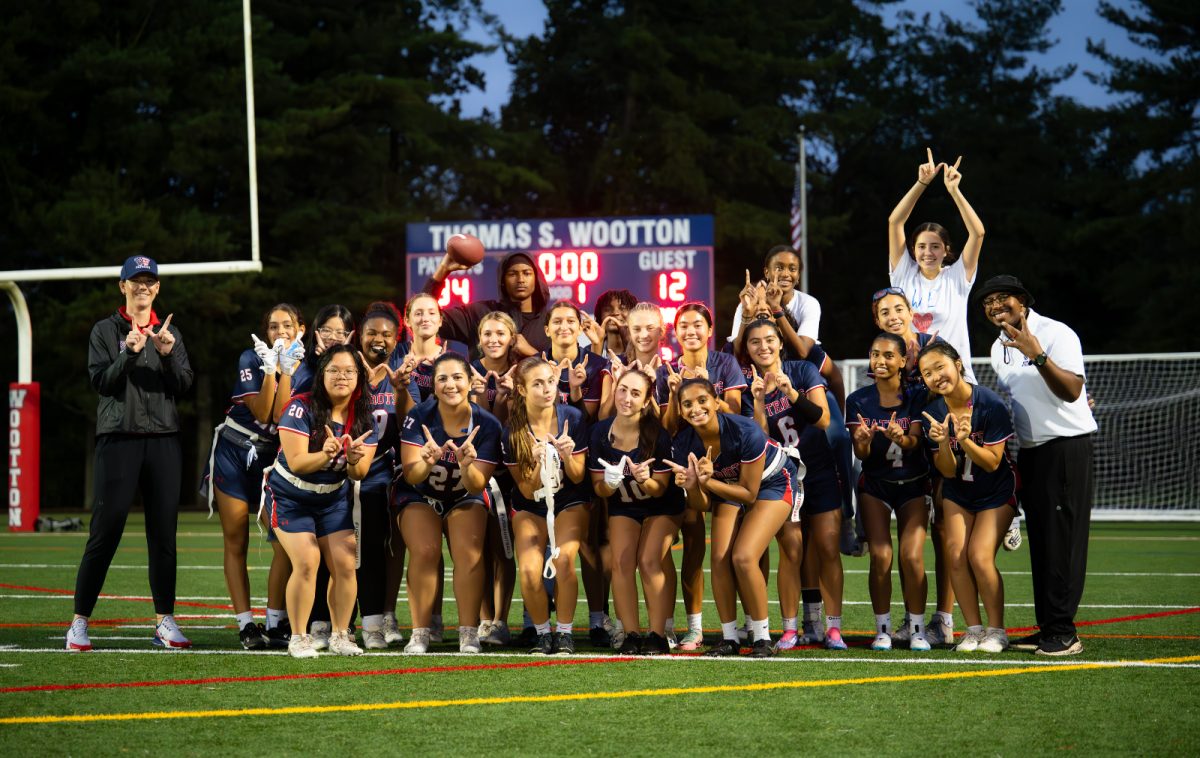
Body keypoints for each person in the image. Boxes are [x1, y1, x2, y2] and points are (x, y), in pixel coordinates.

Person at [67, 256, 194, 652]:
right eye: (135, 281)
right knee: (105, 532)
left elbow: (185, 385)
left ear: (157, 288)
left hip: (163, 440)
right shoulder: (105, 330)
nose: (143, 287)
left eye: (149, 281)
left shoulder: (169, 331)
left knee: (164, 535)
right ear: (122, 285)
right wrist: (129, 352)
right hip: (119, 438)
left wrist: (169, 353)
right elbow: (101, 382)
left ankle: (164, 620)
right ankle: (79, 622)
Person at [980, 274, 1097, 656]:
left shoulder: (1056, 333)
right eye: (988, 302)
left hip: (1066, 448)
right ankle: (1048, 625)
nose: (996, 306)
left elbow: (1072, 390)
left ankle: (1064, 632)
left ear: (1023, 301)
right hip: (1031, 452)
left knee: (1063, 542)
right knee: (1043, 545)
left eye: (1003, 299)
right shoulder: (998, 347)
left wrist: (1038, 354)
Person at [667, 378, 802, 658]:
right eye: (688, 404)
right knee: (718, 559)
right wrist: (693, 485)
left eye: (702, 400)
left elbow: (749, 494)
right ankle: (729, 638)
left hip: (772, 482)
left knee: (743, 556)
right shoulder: (683, 443)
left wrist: (707, 481)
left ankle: (762, 637)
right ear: (680, 411)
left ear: (717, 401)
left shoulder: (745, 430)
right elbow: (702, 505)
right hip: (728, 487)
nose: (696, 408)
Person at [736, 319, 843, 650]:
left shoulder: (802, 370)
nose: (763, 347)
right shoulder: (746, 385)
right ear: (747, 349)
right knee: (791, 549)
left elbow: (824, 419)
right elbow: (760, 441)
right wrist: (756, 402)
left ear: (781, 341)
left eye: (769, 339)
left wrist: (791, 392)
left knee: (826, 545)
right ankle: (790, 627)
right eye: (755, 342)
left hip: (819, 467)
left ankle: (834, 627)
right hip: (783, 474)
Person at [204, 304, 304, 650]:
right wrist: (271, 369)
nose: (280, 332)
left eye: (287, 325)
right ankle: (247, 624)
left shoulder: (307, 366)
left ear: (300, 329)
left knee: (283, 540)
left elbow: (281, 414)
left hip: (272, 458)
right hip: (235, 450)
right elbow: (263, 411)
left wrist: (287, 370)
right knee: (236, 538)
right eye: (273, 326)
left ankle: (275, 620)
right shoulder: (252, 357)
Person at [268, 345, 378, 659]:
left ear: (359, 376)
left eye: (349, 371)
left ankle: (341, 634)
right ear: (321, 374)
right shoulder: (300, 407)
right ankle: (299, 636)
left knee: (345, 565)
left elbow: (360, 472)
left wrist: (354, 458)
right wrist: (327, 453)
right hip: (291, 495)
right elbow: (299, 462)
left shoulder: (365, 415)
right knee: (306, 561)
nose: (342, 376)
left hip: (332, 498)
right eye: (334, 370)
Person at [396, 353, 503, 654]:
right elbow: (411, 474)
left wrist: (467, 465)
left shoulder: (488, 425)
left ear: (471, 382)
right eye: (442, 378)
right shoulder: (419, 416)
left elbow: (475, 484)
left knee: (469, 554)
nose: (450, 384)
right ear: (433, 385)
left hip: (463, 494)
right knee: (426, 550)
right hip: (420, 493)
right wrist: (428, 462)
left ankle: (468, 632)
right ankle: (419, 632)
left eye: (458, 377)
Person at [918, 342, 1017, 654]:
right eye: (927, 373)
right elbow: (947, 471)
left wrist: (964, 440)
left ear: (958, 364)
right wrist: (947, 442)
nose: (936, 376)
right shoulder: (933, 412)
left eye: (939, 367)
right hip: (959, 490)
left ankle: (997, 630)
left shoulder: (989, 403)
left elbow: (991, 462)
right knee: (956, 556)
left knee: (979, 555)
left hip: (996, 490)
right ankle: (973, 630)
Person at [870, 286, 956, 643]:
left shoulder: (932, 345)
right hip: (911, 459)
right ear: (876, 320)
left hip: (941, 445)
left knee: (944, 535)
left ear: (910, 310)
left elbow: (960, 387)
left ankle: (945, 621)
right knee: (912, 548)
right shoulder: (886, 354)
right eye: (884, 312)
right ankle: (913, 619)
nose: (893, 316)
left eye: (898, 309)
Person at [658, 303, 746, 650]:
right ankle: (694, 628)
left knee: (735, 553)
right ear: (675, 332)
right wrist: (671, 395)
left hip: (725, 465)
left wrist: (711, 395)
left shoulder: (724, 363)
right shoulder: (668, 368)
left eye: (698, 324)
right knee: (693, 547)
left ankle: (747, 625)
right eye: (683, 326)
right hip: (685, 460)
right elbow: (668, 426)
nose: (691, 331)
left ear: (710, 330)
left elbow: (737, 413)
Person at [845, 333, 931, 652]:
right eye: (875, 354)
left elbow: (915, 443)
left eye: (888, 355)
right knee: (881, 555)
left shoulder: (918, 395)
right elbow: (862, 455)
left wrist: (901, 437)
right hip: (876, 484)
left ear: (903, 360)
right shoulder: (858, 400)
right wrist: (863, 442)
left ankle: (917, 628)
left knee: (911, 556)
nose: (880, 361)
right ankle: (881, 629)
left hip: (913, 483)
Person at [588, 368, 682, 655]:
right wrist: (610, 482)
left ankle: (657, 634)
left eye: (635, 393)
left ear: (646, 400)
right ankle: (630, 633)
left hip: (661, 505)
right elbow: (598, 489)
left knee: (649, 559)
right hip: (624, 504)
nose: (627, 398)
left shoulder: (657, 434)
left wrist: (645, 479)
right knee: (621, 563)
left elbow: (661, 489)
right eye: (623, 389)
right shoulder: (600, 433)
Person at [502, 357, 591, 654]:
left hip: (568, 500)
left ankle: (564, 632)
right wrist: (540, 463)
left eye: (550, 381)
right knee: (529, 570)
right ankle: (542, 632)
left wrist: (566, 455)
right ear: (523, 390)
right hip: (531, 504)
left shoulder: (573, 418)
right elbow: (527, 490)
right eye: (537, 384)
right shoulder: (514, 430)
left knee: (564, 559)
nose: (546, 389)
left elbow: (578, 476)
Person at [887, 148, 986, 384]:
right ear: (913, 250)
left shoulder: (956, 277)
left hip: (955, 379)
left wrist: (954, 191)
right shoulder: (904, 275)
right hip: (913, 378)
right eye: (921, 246)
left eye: (935, 246)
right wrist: (921, 183)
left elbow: (978, 232)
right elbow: (895, 221)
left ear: (946, 250)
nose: (927, 252)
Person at [353, 302, 414, 650]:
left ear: (397, 338)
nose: (379, 339)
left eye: (387, 334)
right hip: (343, 474)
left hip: (381, 474)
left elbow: (413, 419)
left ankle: (374, 623)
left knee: (376, 550)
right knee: (336, 551)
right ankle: (333, 623)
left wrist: (401, 389)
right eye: (372, 333)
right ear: (359, 336)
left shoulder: (401, 371)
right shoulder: (345, 367)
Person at [469, 312, 520, 645]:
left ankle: (500, 619)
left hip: (512, 471)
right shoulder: (468, 370)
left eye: (501, 333)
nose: (494, 339)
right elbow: (472, 425)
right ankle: (484, 619)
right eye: (487, 333)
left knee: (505, 549)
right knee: (478, 548)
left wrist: (510, 396)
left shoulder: (523, 371)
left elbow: (514, 427)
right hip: (476, 470)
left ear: (511, 337)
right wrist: (477, 395)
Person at [423, 251, 553, 357]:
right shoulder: (479, 313)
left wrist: (531, 353)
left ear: (536, 279)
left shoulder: (551, 323)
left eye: (527, 273)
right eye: (512, 274)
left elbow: (563, 374)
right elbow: (424, 318)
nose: (520, 280)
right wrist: (443, 270)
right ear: (502, 280)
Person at [729, 245, 821, 360]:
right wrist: (747, 314)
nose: (785, 274)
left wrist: (776, 308)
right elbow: (736, 353)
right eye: (779, 268)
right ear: (766, 272)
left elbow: (802, 352)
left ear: (798, 276)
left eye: (792, 269)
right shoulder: (750, 303)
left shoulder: (808, 303)